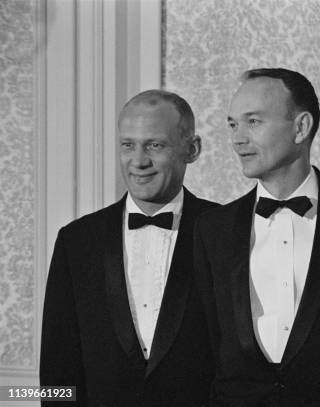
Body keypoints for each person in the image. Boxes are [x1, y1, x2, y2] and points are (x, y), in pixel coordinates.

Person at [193, 68, 320, 406]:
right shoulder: (212, 229)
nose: (237, 138)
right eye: (233, 124)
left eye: (253, 122)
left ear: (301, 127)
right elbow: (209, 345)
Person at [40, 90, 218, 406]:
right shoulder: (76, 241)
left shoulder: (227, 232)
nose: (138, 161)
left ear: (191, 150)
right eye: (128, 145)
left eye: (155, 145)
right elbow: (58, 371)